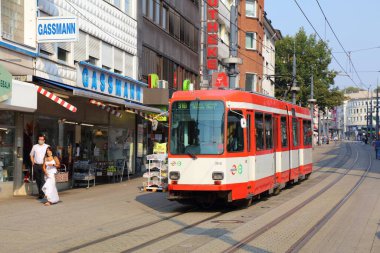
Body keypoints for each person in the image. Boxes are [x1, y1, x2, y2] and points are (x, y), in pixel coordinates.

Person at [30, 135, 49, 199]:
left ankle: (41, 193)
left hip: (44, 165)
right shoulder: (35, 146)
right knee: (38, 180)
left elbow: (49, 155)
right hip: (36, 165)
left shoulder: (47, 146)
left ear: (44, 140)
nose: (40, 141)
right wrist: (33, 162)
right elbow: (31, 155)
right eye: (39, 139)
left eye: (41, 139)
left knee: (42, 179)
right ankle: (40, 192)